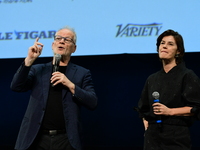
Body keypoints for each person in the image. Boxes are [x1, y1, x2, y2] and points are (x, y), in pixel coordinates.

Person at [10, 26, 98, 150]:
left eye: (67, 40)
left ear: (74, 48)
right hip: (36, 138)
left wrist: (70, 85)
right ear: (53, 45)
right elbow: (16, 86)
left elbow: (92, 102)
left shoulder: (82, 73)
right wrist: (28, 61)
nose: (62, 41)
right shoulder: (38, 69)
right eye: (58, 38)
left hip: (66, 139)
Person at [137, 29, 200, 150]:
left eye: (170, 44)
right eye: (162, 43)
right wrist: (147, 126)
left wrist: (170, 111)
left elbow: (196, 107)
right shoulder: (152, 78)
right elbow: (143, 109)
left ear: (179, 51)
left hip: (176, 137)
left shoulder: (187, 75)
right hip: (153, 139)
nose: (164, 46)